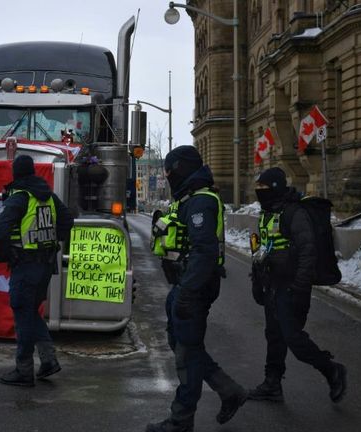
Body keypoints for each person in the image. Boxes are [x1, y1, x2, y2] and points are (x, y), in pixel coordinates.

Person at [147, 146, 247, 432]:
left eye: (169, 169)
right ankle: (229, 391)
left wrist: (188, 292)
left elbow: (204, 251)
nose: (166, 175)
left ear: (181, 168)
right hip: (183, 284)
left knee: (187, 353)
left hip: (194, 287)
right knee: (181, 345)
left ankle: (181, 420)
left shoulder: (201, 201)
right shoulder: (188, 199)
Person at [248, 167, 347, 403]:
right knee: (274, 335)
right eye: (257, 189)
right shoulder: (267, 213)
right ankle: (272, 384)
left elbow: (307, 252)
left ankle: (332, 370)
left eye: (263, 188)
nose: (259, 193)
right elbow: (260, 250)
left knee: (293, 337)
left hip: (291, 286)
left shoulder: (294, 213)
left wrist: (300, 288)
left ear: (274, 188)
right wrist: (257, 281)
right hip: (272, 284)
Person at [0, 154, 74, 387]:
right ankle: (48, 360)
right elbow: (68, 220)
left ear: (16, 173)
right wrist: (52, 239)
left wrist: (3, 255)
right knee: (29, 311)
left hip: (26, 265)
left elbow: (0, 228)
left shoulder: (19, 198)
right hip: (46, 264)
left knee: (22, 312)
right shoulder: (48, 196)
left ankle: (24, 370)